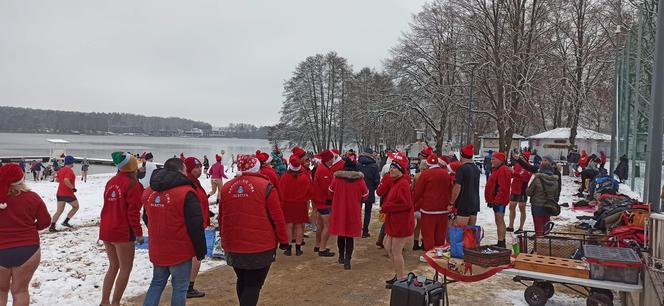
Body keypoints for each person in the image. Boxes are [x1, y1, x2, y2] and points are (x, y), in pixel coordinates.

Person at [218, 155, 289, 306]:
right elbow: (278, 218)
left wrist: (224, 240)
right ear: (257, 167)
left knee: (242, 280)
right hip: (260, 245)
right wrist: (284, 240)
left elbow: (221, 217)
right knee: (253, 284)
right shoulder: (266, 187)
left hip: (233, 244)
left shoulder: (226, 187)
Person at [142, 158, 206, 306]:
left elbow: (146, 217)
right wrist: (200, 250)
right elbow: (196, 225)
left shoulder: (150, 192)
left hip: (158, 247)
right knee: (180, 287)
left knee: (157, 283)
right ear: (181, 170)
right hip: (179, 250)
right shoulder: (186, 193)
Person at [0, 164, 51, 306]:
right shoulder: (32, 197)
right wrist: (31, 228)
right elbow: (45, 222)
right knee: (20, 291)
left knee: (0, 291)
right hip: (28, 249)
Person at [99, 152, 143, 306]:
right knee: (125, 268)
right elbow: (133, 212)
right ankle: (115, 302)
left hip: (106, 227)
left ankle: (105, 301)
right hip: (122, 230)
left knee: (113, 266)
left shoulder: (111, 181)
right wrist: (139, 233)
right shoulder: (134, 185)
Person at [377, 152, 414, 285]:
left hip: (401, 222)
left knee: (396, 250)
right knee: (387, 245)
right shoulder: (395, 182)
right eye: (391, 167)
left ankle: (401, 277)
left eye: (395, 168)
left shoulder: (403, 183)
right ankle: (399, 274)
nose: (392, 170)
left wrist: (387, 207)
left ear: (401, 170)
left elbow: (406, 204)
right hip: (394, 220)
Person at [329, 158, 368, 270]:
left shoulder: (337, 179)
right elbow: (365, 195)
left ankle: (341, 256)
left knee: (340, 234)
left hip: (339, 210)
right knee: (350, 236)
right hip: (353, 210)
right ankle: (348, 260)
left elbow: (330, 191)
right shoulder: (360, 180)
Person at [412, 153, 452, 253]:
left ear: (428, 164)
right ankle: (439, 253)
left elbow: (418, 192)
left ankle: (430, 253)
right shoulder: (445, 174)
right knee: (440, 234)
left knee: (428, 233)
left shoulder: (425, 174)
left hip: (428, 209)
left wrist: (412, 203)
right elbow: (450, 189)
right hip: (443, 209)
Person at [183, 157, 211, 299]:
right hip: (194, 225)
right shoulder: (189, 184)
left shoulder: (195, 182)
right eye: (196, 168)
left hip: (198, 223)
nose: (199, 170)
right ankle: (188, 286)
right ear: (188, 169)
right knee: (196, 255)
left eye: (200, 167)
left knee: (193, 256)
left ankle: (186, 285)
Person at [312, 149, 345, 257]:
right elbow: (327, 188)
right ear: (327, 160)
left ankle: (317, 245)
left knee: (320, 225)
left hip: (320, 200)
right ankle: (322, 248)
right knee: (328, 225)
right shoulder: (323, 171)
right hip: (324, 202)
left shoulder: (322, 168)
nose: (333, 161)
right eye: (331, 159)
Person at [278, 155, 312, 256]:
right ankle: (298, 248)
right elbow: (309, 191)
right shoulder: (304, 177)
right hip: (300, 204)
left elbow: (280, 191)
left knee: (288, 226)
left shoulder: (285, 177)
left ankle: (288, 248)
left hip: (287, 204)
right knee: (299, 226)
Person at [527, 158, 560, 236]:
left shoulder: (537, 178)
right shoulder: (555, 180)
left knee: (538, 226)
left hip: (537, 205)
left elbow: (529, 192)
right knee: (546, 225)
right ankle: (545, 242)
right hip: (549, 205)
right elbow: (556, 193)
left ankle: (538, 242)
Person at [449, 145, 481, 227]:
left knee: (461, 231)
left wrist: (451, 202)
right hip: (475, 203)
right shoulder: (476, 168)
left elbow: (457, 187)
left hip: (464, 203)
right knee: (470, 233)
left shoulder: (462, 169)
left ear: (461, 155)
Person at [485, 151, 511, 248]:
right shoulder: (497, 169)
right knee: (498, 220)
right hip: (496, 200)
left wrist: (497, 200)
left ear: (500, 160)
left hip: (499, 200)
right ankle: (501, 240)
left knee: (499, 220)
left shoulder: (503, 170)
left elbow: (502, 187)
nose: (491, 160)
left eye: (493, 159)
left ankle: (501, 242)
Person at [49, 156, 79, 232]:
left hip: (59, 193)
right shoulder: (69, 170)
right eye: (73, 162)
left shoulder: (61, 170)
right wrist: (72, 188)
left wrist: (63, 182)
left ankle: (52, 226)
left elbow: (57, 180)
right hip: (68, 194)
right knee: (76, 207)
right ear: (70, 162)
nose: (73, 163)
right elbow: (66, 180)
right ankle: (65, 222)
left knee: (59, 210)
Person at [357, 147, 380, 238]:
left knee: (357, 211)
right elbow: (376, 180)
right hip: (369, 190)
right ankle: (365, 231)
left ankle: (357, 229)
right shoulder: (374, 165)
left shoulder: (357, 164)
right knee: (367, 212)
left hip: (357, 190)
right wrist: (373, 188)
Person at [508, 151, 532, 234]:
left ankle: (521, 227)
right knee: (511, 207)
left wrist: (514, 173)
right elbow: (512, 175)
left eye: (522, 158)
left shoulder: (529, 167)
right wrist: (510, 172)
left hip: (522, 190)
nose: (520, 159)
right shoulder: (517, 165)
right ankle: (511, 225)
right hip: (514, 188)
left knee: (522, 208)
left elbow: (525, 178)